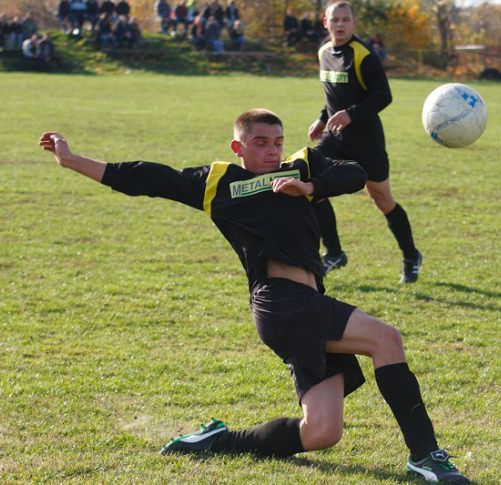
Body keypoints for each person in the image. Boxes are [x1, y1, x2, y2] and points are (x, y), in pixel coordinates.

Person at [38, 109, 469, 484]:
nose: (272, 150)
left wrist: (311, 187)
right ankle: (425, 457)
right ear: (238, 147)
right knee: (385, 339)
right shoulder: (220, 182)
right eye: (260, 142)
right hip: (280, 302)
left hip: (306, 304)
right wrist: (72, 160)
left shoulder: (302, 166)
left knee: (321, 432)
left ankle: (217, 441)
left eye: (277, 141)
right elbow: (149, 178)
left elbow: (354, 173)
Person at [308, 1, 422, 283]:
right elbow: (333, 96)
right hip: (334, 136)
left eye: (346, 20)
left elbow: (383, 96)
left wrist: (351, 114)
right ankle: (334, 252)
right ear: (326, 23)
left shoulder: (363, 55)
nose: (340, 25)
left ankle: (411, 256)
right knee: (310, 182)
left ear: (353, 23)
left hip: (366, 140)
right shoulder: (324, 52)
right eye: (335, 20)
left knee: (382, 199)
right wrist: (323, 119)